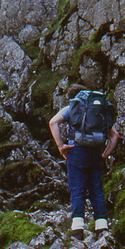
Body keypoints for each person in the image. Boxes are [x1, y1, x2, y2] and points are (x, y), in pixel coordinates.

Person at [49, 84, 119, 240]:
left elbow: (53, 123)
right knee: (97, 191)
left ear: (73, 98)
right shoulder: (98, 111)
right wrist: (104, 155)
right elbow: (114, 136)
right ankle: (102, 228)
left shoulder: (72, 109)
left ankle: (77, 230)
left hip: (76, 151)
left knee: (77, 190)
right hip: (95, 153)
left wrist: (61, 146)